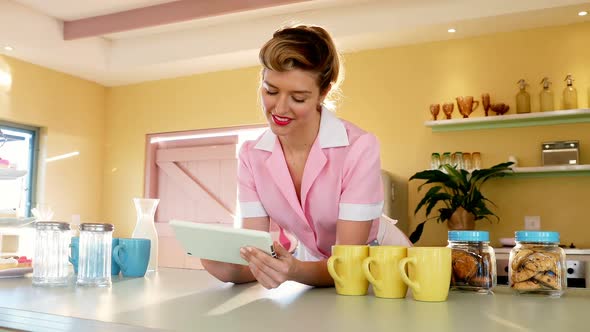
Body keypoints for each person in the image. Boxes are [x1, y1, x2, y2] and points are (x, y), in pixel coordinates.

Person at [201, 24, 410, 289]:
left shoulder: (358, 148)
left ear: (323, 93)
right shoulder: (252, 156)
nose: (279, 108)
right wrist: (226, 267)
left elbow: (350, 263)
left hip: (384, 269)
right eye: (271, 91)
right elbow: (256, 254)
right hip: (314, 273)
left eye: (298, 98)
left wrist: (293, 270)